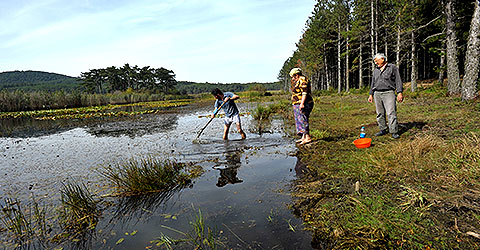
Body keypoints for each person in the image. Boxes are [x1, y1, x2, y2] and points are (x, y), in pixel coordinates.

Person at [368, 53, 404, 139]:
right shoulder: (376, 70)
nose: (375, 63)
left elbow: (398, 80)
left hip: (389, 93)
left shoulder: (392, 68)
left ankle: (394, 131)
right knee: (379, 113)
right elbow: (373, 82)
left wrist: (399, 92)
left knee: (391, 112)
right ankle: (382, 129)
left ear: (383, 59)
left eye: (376, 61)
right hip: (377, 93)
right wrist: (371, 94)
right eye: (375, 61)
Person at [289, 68, 314, 145]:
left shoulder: (303, 80)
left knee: (303, 119)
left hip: (304, 103)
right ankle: (303, 137)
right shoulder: (298, 81)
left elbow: (304, 92)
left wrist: (302, 103)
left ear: (296, 75)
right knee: (300, 119)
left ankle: (307, 137)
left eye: (293, 77)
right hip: (298, 103)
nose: (292, 79)